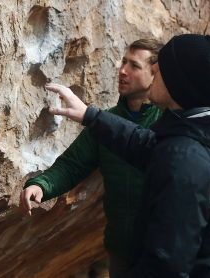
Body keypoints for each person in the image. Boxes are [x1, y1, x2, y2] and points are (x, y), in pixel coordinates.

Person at [46, 34, 210, 277]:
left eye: (159, 71)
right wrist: (89, 115)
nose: (153, 75)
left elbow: (166, 264)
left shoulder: (185, 159)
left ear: (179, 84)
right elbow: (146, 144)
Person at [20, 39, 163, 277]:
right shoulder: (107, 121)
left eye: (134, 66)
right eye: (123, 62)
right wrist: (41, 185)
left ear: (155, 74)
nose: (123, 71)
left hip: (162, 252)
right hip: (121, 249)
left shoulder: (170, 122)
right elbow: (72, 164)